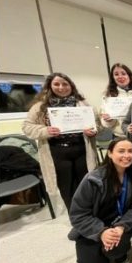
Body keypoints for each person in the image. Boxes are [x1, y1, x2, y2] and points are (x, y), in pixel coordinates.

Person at [68, 138, 132, 263]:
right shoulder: (93, 180)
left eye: (130, 151)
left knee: (115, 249)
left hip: (119, 225)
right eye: (121, 151)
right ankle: (101, 252)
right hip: (93, 227)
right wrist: (102, 232)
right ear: (110, 153)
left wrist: (122, 226)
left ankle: (118, 255)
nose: (127, 155)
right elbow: (78, 214)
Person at [22, 72, 98, 211]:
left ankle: (89, 212)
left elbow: (96, 123)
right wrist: (45, 131)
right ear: (50, 86)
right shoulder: (40, 107)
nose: (61, 87)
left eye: (65, 84)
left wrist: (92, 130)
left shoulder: (82, 103)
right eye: (56, 84)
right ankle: (75, 215)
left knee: (86, 183)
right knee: (66, 186)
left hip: (81, 149)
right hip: (57, 152)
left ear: (71, 86)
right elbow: (27, 127)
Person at [100, 63, 132, 138]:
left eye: (123, 73)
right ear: (113, 78)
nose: (120, 76)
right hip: (119, 137)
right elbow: (105, 124)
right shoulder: (108, 96)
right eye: (116, 74)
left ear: (129, 76)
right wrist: (108, 120)